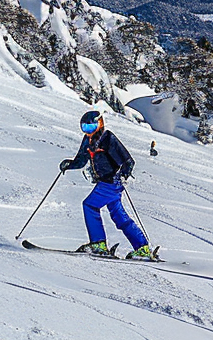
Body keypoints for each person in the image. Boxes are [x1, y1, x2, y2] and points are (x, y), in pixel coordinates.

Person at [59, 111, 152, 259]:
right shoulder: (87, 141)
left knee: (90, 205)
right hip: (106, 182)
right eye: (85, 127)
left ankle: (98, 244)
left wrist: (123, 174)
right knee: (119, 216)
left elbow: (128, 161)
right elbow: (81, 160)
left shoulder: (108, 138)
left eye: (92, 127)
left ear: (100, 124)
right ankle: (142, 248)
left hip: (111, 182)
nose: (88, 131)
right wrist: (69, 164)